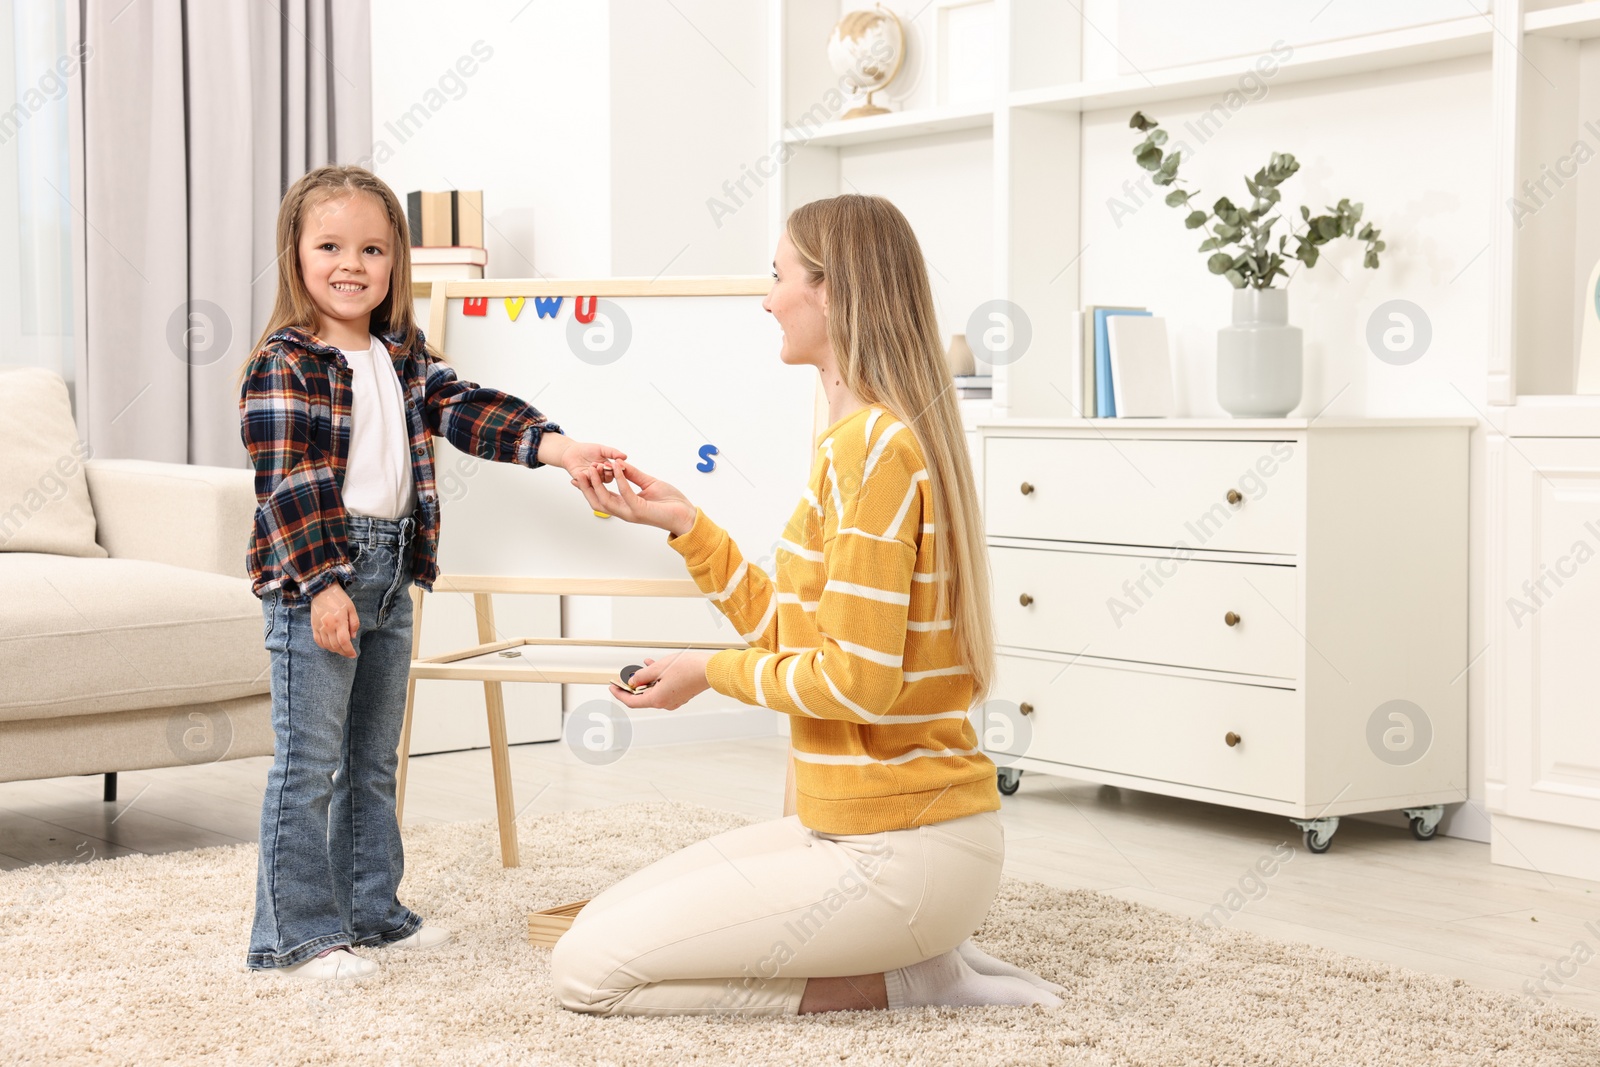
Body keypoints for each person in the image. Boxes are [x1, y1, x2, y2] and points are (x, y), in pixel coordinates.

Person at [553, 194, 1065, 1015]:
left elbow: (855, 680)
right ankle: (926, 961)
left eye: (777, 275)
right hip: (854, 832)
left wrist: (709, 674)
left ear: (830, 292)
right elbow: (797, 635)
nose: (766, 299)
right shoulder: (855, 439)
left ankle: (907, 978)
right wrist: (684, 524)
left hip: (901, 851)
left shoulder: (875, 451)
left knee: (586, 974)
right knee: (595, 924)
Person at [239, 165, 623, 980]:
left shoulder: (400, 353)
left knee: (375, 759)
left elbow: (467, 408)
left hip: (392, 569)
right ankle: (297, 935)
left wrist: (558, 447)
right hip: (320, 577)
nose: (352, 265)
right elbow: (291, 480)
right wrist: (324, 585)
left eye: (372, 249)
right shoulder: (286, 361)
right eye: (331, 246)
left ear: (395, 262)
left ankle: (372, 910)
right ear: (296, 254)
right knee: (310, 764)